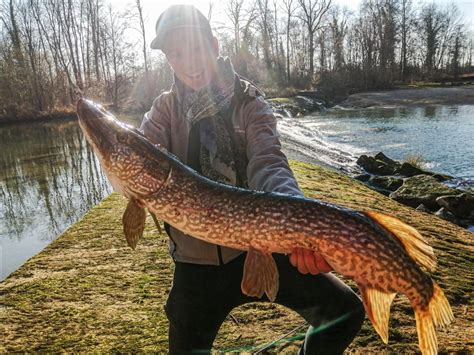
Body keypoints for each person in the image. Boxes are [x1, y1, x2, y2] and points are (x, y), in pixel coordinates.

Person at [140, 5, 364, 354]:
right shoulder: (163, 112)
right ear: (168, 59)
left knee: (345, 311)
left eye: (196, 48)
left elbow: (269, 162)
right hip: (194, 264)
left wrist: (298, 220)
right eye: (176, 53)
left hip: (263, 246)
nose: (189, 62)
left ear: (214, 46)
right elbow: (143, 162)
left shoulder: (250, 102)